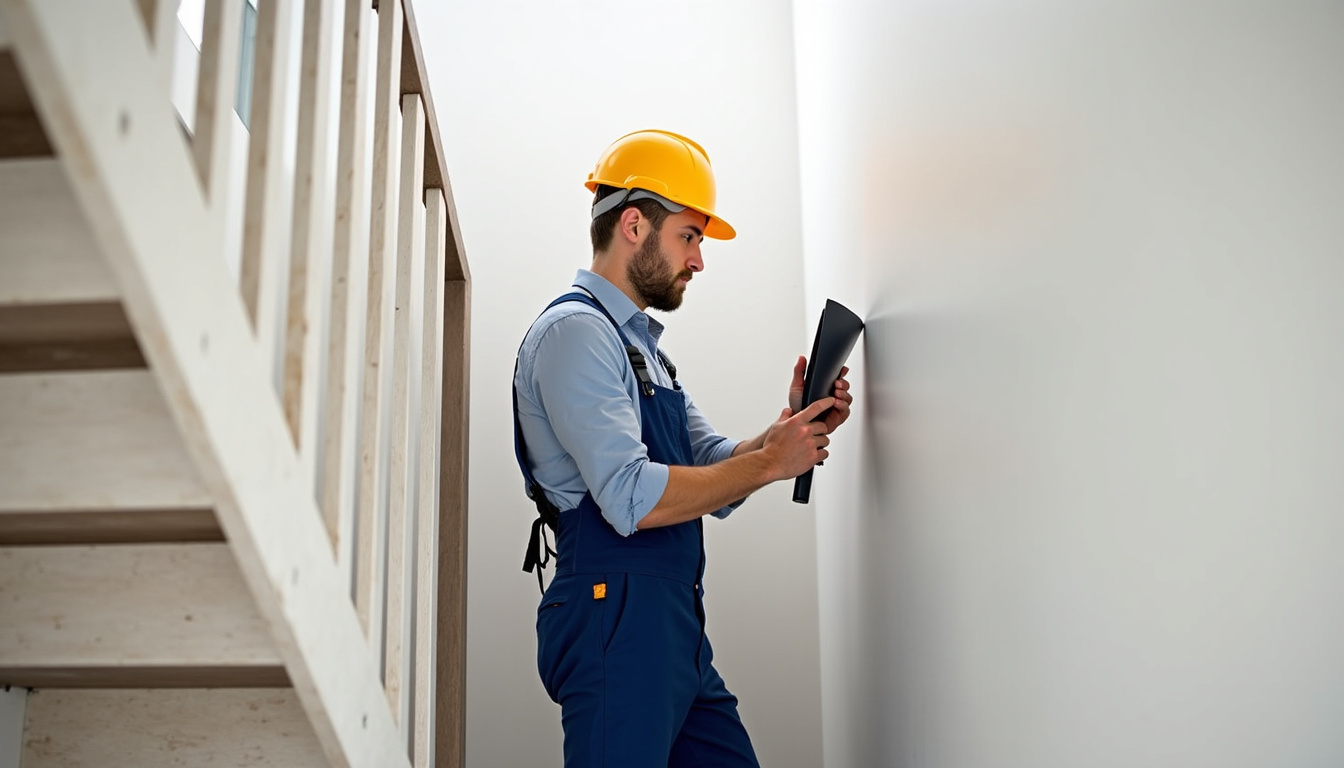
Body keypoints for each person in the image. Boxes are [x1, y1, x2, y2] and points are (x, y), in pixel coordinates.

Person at [512, 129, 853, 767]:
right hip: (613, 619)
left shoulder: (647, 352)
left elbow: (711, 470)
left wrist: (788, 434)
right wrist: (769, 461)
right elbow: (632, 498)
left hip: (672, 625)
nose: (698, 261)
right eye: (689, 238)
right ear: (634, 225)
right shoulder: (576, 334)